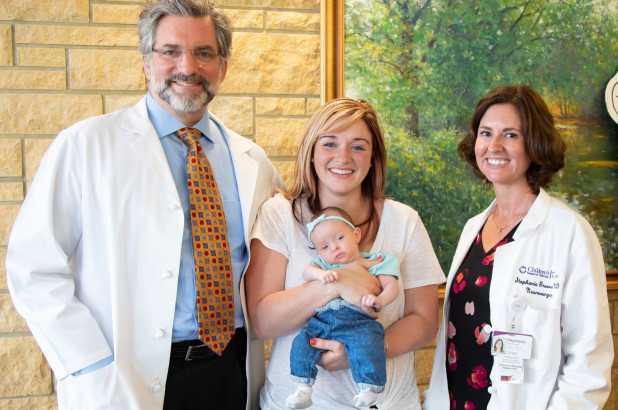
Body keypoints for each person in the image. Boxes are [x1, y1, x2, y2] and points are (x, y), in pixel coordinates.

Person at [6, 1, 278, 409]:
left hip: (231, 371)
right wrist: (89, 364)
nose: (187, 67)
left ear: (222, 66)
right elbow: (33, 267)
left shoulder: (252, 160)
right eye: (170, 51)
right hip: (123, 377)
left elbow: (283, 260)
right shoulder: (85, 146)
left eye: (204, 53)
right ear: (147, 62)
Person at [245, 97, 445, 410]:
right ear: (311, 152)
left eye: (358, 146)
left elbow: (425, 321)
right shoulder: (280, 214)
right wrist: (336, 283)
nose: (343, 157)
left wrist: (362, 351)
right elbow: (261, 321)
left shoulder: (404, 220)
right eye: (329, 143)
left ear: (373, 158)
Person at [424, 85, 613, 410]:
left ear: (535, 144)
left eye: (510, 135)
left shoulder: (569, 232)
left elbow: (589, 359)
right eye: (486, 133)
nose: (494, 146)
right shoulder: (473, 228)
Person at [287, 207, 400, 409]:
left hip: (358, 319)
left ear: (356, 234)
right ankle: (303, 387)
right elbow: (307, 271)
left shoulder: (376, 261)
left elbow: (391, 286)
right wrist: (320, 275)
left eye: (340, 238)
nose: (334, 248)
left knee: (369, 343)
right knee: (301, 342)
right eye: (324, 247)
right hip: (322, 320)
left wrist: (380, 300)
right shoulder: (323, 265)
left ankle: (369, 388)